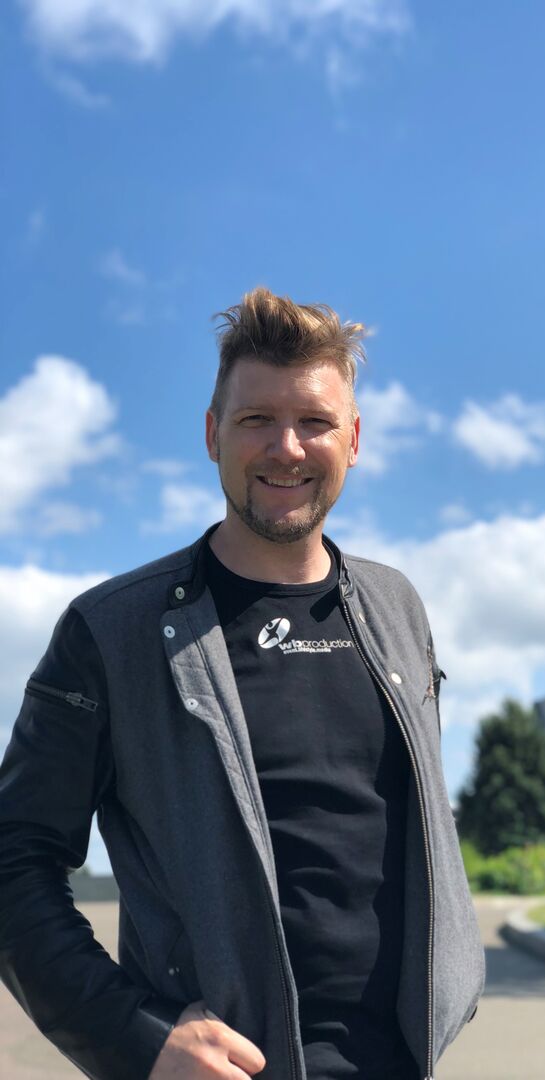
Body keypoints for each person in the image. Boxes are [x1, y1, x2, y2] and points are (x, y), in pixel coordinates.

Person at [0, 287, 485, 1080]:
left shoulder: (398, 606)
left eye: (315, 422)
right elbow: (13, 859)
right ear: (211, 435)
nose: (287, 448)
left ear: (354, 440)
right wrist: (136, 1037)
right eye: (257, 419)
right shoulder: (111, 631)